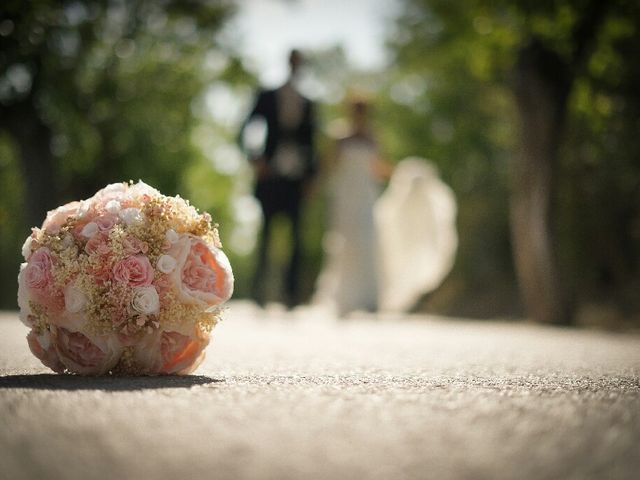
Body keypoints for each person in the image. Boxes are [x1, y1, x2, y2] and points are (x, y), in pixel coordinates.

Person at [239, 49, 317, 308]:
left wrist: (311, 178)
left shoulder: (309, 102)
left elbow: (312, 143)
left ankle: (291, 295)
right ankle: (259, 293)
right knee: (266, 233)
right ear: (288, 63)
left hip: (296, 179)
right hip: (270, 175)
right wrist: (255, 158)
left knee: (296, 237)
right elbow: (246, 127)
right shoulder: (267, 95)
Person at [314, 96, 391, 316]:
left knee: (366, 240)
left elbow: (378, 168)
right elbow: (329, 166)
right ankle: (344, 297)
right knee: (345, 242)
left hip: (366, 196)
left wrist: (403, 173)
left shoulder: (373, 137)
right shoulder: (340, 137)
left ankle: (368, 298)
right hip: (345, 196)